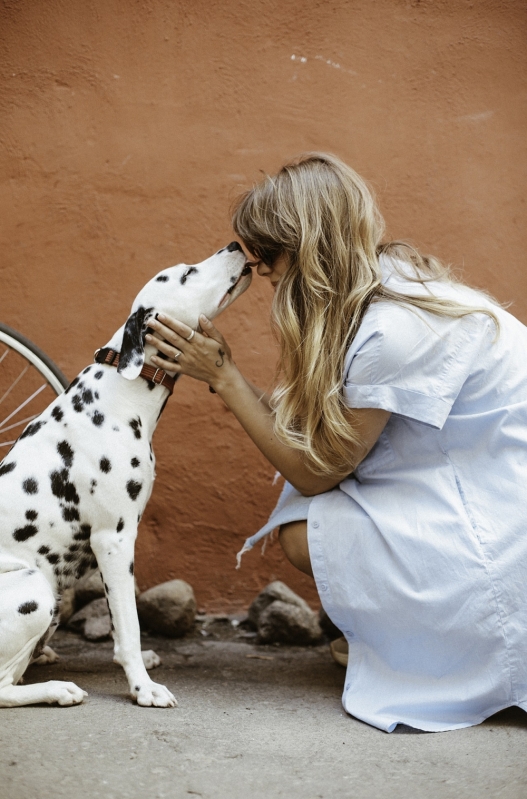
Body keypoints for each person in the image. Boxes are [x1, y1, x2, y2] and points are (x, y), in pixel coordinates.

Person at [146, 153, 527, 733]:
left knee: (306, 527)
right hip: (478, 481)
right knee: (315, 514)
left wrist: (223, 376)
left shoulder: (394, 329)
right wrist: (229, 375)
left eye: (269, 254)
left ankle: (445, 647)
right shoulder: (385, 283)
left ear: (307, 247)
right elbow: (318, 431)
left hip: (502, 518)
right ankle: (404, 636)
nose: (261, 269)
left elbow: (316, 470)